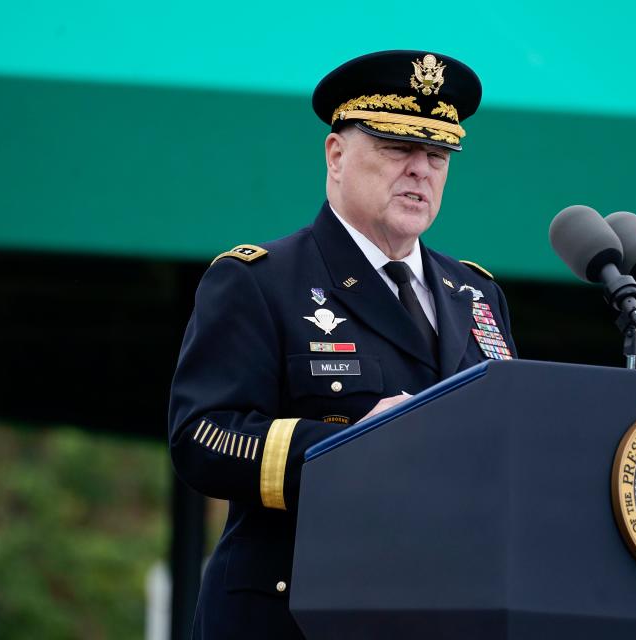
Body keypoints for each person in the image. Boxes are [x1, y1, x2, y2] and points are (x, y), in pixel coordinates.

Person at [168, 50, 518, 639]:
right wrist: (351, 448)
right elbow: (202, 436)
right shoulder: (260, 279)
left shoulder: (476, 294)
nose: (420, 170)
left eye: (437, 154)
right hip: (294, 615)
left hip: (444, 610)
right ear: (335, 154)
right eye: (396, 147)